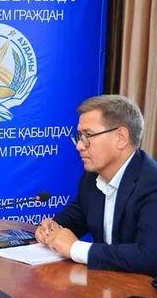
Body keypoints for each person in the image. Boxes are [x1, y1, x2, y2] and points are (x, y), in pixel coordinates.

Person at [35, 95, 157, 275]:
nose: (79, 146)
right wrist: (52, 228)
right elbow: (77, 216)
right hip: (106, 283)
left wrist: (76, 248)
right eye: (79, 136)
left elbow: (149, 257)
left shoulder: (152, 183)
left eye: (88, 135)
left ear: (121, 138)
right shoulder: (92, 177)